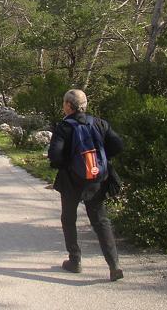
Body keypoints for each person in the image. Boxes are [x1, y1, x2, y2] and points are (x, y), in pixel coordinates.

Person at [48, 89, 124, 282]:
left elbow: (54, 155)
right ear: (84, 105)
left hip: (71, 181)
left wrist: (69, 165)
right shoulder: (100, 123)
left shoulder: (64, 127)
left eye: (64, 103)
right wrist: (100, 159)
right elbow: (118, 145)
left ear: (68, 105)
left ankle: (75, 260)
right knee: (101, 221)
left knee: (68, 219)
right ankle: (114, 265)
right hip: (97, 180)